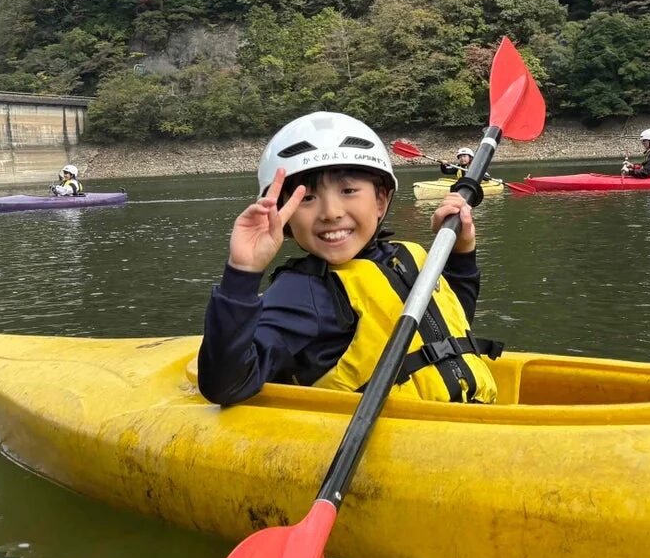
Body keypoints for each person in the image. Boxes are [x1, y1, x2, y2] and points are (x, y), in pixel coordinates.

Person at [199, 111, 500, 408]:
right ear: (283, 215)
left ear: (380, 200)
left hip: (467, 418)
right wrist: (243, 273)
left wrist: (462, 251)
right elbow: (227, 384)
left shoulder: (408, 255)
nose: (331, 212)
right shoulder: (302, 291)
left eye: (348, 190)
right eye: (307, 198)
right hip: (396, 443)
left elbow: (454, 325)